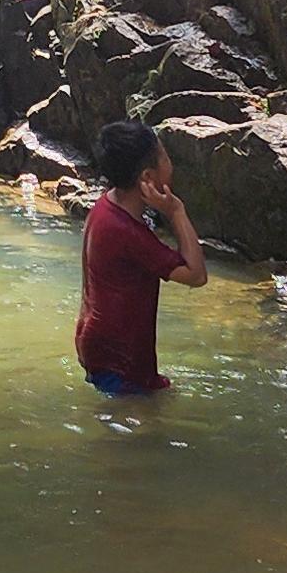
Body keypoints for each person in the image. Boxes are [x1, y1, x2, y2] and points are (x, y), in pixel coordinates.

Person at [77, 119, 208, 393]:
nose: (169, 162)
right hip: (120, 361)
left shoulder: (104, 207)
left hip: (98, 345)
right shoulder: (128, 233)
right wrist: (176, 211)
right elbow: (196, 275)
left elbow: (86, 279)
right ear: (147, 177)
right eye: (164, 156)